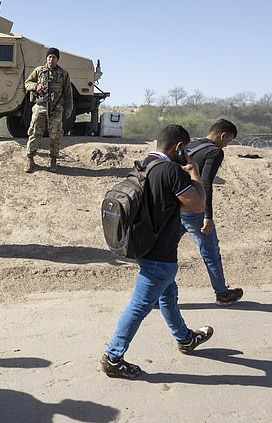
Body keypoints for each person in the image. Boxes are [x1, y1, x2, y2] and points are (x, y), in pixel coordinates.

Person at [100, 125, 213, 379]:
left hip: (144, 245)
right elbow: (198, 204)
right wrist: (194, 172)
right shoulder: (172, 171)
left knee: (168, 296)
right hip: (160, 254)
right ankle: (113, 357)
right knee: (140, 306)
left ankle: (185, 339)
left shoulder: (144, 165)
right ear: (179, 147)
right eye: (186, 149)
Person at [181, 119, 243, 305]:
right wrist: (208, 216)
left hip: (175, 206)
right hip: (194, 209)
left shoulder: (192, 145)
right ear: (223, 135)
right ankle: (222, 293)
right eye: (229, 140)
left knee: (165, 252)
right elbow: (205, 183)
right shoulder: (215, 151)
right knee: (210, 251)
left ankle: (155, 296)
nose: (227, 144)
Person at [24, 47, 73, 173]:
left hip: (56, 108)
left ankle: (53, 159)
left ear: (57, 59)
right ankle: (30, 158)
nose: (51, 59)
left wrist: (69, 107)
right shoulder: (39, 71)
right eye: (49, 57)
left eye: (54, 57)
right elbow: (27, 83)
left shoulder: (63, 74)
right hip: (40, 107)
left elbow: (68, 92)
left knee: (55, 135)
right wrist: (36, 86)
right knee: (35, 132)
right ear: (46, 58)